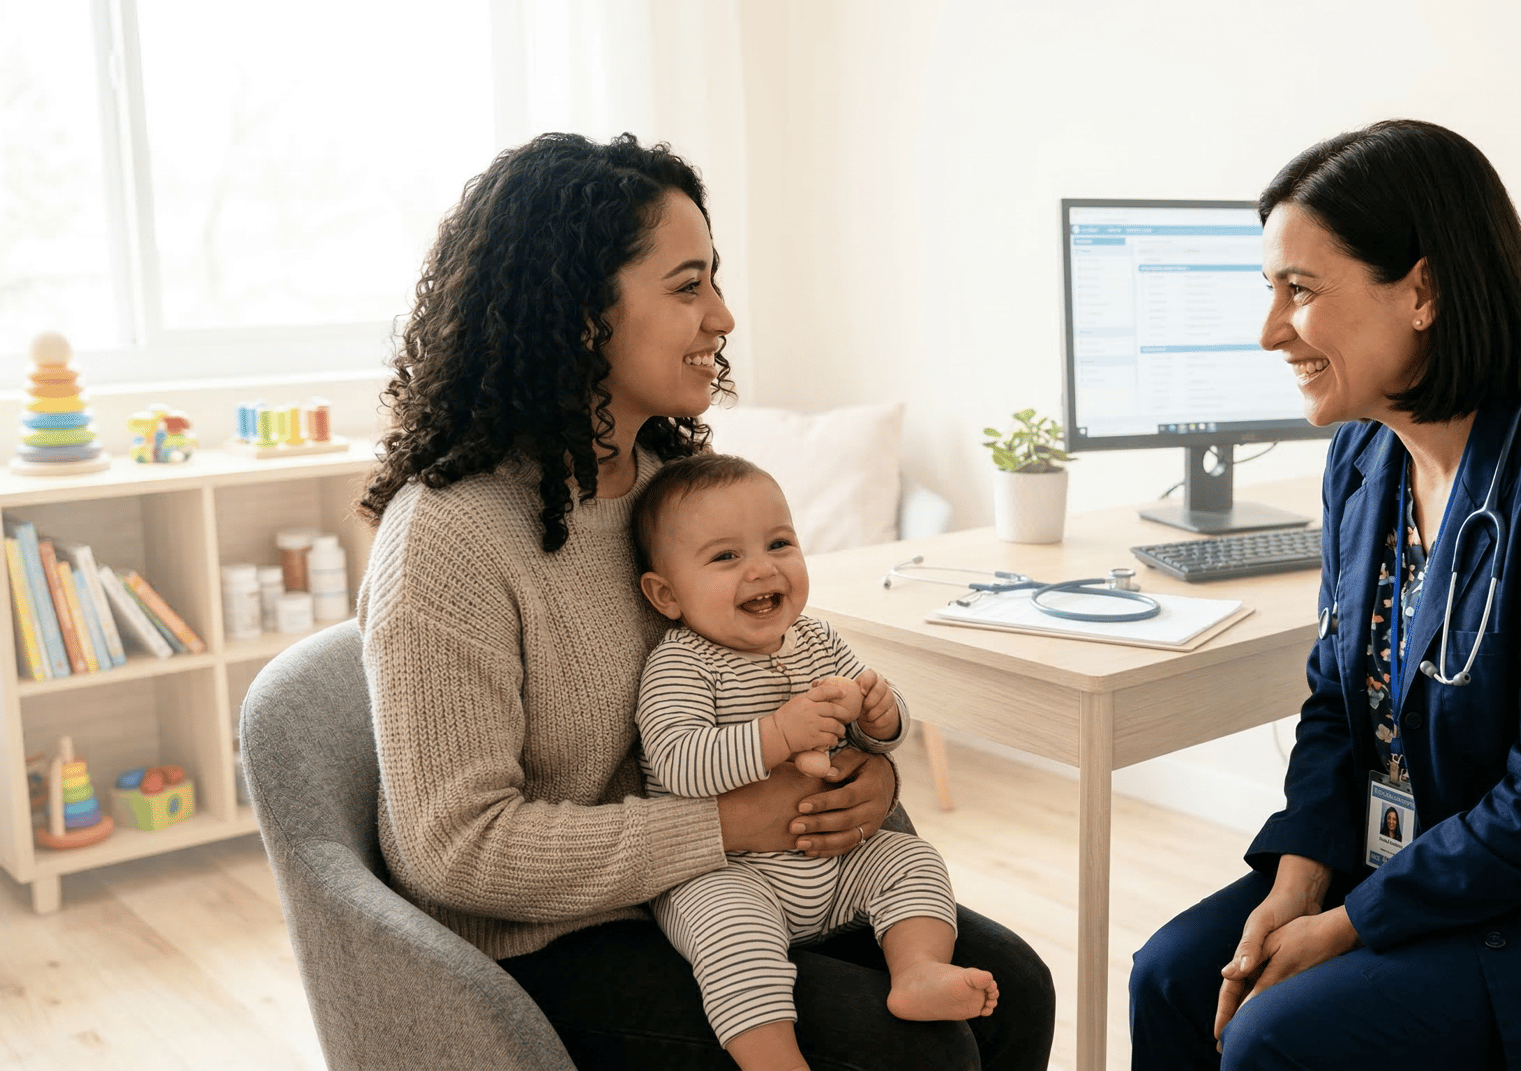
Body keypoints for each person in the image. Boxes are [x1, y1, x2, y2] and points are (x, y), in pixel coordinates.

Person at [356, 132, 1052, 1071]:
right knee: (909, 1053)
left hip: (729, 877)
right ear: (580, 316)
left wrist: (869, 790)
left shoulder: (674, 487)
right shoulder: (448, 535)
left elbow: (779, 679)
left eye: (714, 280)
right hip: (549, 938)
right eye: (689, 286)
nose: (722, 315)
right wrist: (731, 822)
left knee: (1018, 987)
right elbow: (455, 846)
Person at [1128, 119, 1521, 1070]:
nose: (1270, 330)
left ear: (1423, 291)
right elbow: (1336, 705)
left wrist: (1350, 922)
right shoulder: (1365, 455)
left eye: (1299, 290)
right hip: (1435, 866)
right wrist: (1299, 879)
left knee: (1277, 1037)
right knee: (1169, 978)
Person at [632, 453, 999, 1070]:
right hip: (729, 872)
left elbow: (874, 728)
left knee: (912, 859)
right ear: (667, 594)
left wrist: (882, 716)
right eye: (726, 557)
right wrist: (777, 733)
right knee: (731, 938)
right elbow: (678, 762)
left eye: (779, 543)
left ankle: (917, 970)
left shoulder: (818, 640)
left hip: (835, 864)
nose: (762, 568)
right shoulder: (682, 664)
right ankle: (774, 1059)